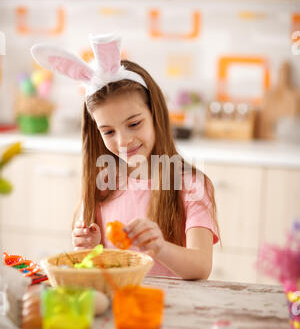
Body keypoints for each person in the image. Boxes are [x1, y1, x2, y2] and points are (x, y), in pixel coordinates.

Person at [31, 33, 220, 280]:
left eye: (134, 124)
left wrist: (159, 247)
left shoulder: (190, 185)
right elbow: (96, 267)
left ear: (155, 114)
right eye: (108, 131)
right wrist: (92, 248)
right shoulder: (102, 184)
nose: (123, 141)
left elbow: (201, 266)